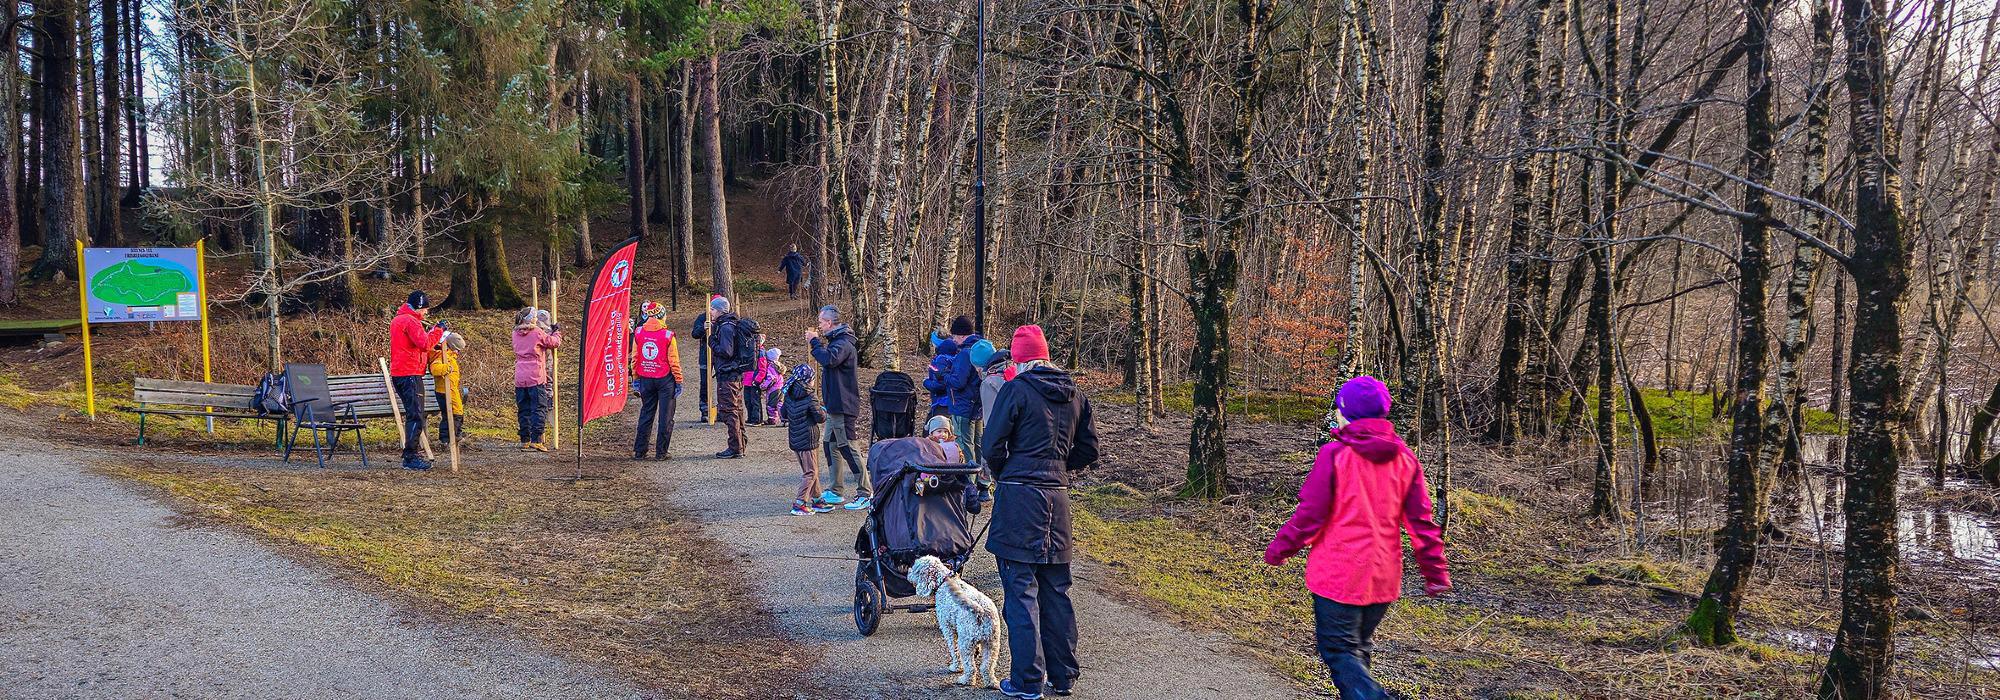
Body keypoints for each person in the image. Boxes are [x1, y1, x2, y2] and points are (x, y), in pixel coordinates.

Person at [1264, 376, 1450, 700]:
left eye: (1339, 409)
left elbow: (1311, 514)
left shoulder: (1335, 455)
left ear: (1345, 414)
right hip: (1382, 577)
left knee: (1339, 650)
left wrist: (1281, 548)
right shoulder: (1406, 459)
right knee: (1357, 650)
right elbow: (1422, 522)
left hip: (1340, 574)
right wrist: (1435, 571)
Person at [982, 325, 1098, 699]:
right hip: (1057, 501)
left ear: (1019, 359)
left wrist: (1007, 473)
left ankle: (1028, 681)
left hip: (1020, 499)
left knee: (1020, 592)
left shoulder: (1016, 390)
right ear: (1046, 355)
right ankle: (1063, 677)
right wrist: (1058, 467)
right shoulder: (1076, 394)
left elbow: (991, 444)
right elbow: (1089, 450)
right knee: (1057, 591)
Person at [807, 304, 871, 510]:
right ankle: (836, 490)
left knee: (848, 446)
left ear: (829, 322)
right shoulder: (837, 341)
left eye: (820, 322)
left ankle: (865, 492)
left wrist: (814, 342)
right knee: (830, 445)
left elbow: (828, 359)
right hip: (834, 405)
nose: (819, 325)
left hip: (844, 406)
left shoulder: (843, 343)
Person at [389, 290, 445, 470]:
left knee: (413, 413)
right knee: (416, 414)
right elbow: (424, 344)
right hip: (410, 373)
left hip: (400, 373)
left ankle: (411, 454)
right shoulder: (411, 321)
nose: (426, 313)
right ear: (419, 307)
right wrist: (438, 331)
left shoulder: (398, 319)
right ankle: (410, 456)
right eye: (425, 309)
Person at [630, 300, 684, 460]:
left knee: (646, 413)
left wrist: (635, 378)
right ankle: (661, 452)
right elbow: (674, 361)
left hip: (646, 377)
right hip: (665, 379)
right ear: (661, 316)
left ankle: (640, 451)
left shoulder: (639, 333)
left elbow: (635, 358)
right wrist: (679, 381)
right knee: (665, 416)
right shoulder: (668, 335)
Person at [707, 295, 757, 459]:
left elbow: (726, 351)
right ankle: (740, 443)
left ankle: (735, 447)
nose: (710, 312)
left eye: (713, 309)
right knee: (737, 409)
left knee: (730, 411)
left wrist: (712, 341)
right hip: (734, 375)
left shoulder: (726, 327)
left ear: (720, 311)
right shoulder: (730, 324)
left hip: (728, 375)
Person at [783, 364, 835, 516]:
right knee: (811, 472)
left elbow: (784, 413)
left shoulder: (789, 392)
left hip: (795, 438)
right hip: (808, 438)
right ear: (808, 380)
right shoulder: (810, 395)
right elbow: (820, 417)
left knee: (811, 470)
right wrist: (823, 410)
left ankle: (817, 499)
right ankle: (800, 503)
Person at [944, 314, 992, 465]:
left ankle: (969, 482)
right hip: (977, 407)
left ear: (962, 335)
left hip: (962, 407)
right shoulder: (981, 350)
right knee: (978, 444)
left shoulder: (965, 354)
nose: (953, 340)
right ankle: (982, 479)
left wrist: (944, 375)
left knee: (964, 445)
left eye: (955, 336)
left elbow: (958, 382)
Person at [512, 306, 562, 452]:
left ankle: (525, 439)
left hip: (520, 376)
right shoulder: (536, 332)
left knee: (524, 409)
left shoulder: (515, 332)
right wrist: (557, 332)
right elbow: (553, 342)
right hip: (536, 375)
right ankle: (537, 439)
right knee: (539, 407)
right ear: (531, 319)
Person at [428, 331, 467, 447]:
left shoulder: (449, 355)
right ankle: (451, 436)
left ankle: (452, 435)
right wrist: (446, 368)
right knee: (455, 412)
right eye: (457, 350)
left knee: (455, 412)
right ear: (451, 347)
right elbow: (434, 369)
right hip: (445, 391)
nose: (458, 353)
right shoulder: (442, 356)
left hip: (451, 389)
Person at [922, 332, 959, 420]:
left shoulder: (940, 360)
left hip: (942, 403)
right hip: (954, 402)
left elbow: (939, 384)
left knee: (932, 429)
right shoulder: (957, 358)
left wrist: (926, 382)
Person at [689, 304, 715, 422]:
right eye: (712, 308)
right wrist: (703, 328)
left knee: (724, 382)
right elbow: (695, 334)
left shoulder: (725, 318)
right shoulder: (703, 317)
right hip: (706, 354)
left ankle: (722, 409)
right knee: (705, 382)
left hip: (722, 355)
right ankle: (705, 409)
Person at [744, 334, 771, 425]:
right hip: (747, 380)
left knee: (755, 401)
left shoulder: (761, 352)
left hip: (755, 380)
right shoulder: (750, 351)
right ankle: (751, 417)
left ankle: (757, 419)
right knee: (748, 400)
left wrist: (758, 380)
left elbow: (763, 369)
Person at [757, 348, 787, 426]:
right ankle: (784, 418)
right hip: (780, 387)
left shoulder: (770, 367)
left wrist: (763, 386)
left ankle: (773, 419)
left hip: (773, 389)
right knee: (779, 403)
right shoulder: (778, 365)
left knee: (771, 405)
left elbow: (771, 378)